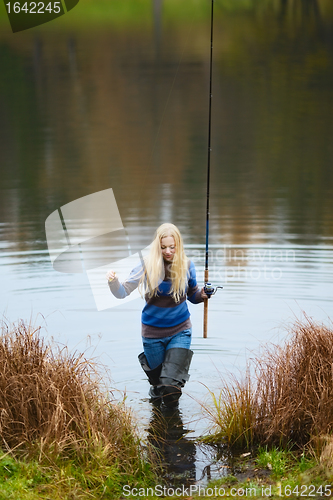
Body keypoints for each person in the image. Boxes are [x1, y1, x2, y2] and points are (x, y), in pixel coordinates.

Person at [106, 223, 209, 407]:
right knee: (159, 387)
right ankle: (157, 417)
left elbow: (193, 295)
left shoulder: (187, 265)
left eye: (172, 246)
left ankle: (172, 431)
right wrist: (113, 282)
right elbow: (122, 292)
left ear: (178, 245)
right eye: (163, 247)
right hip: (152, 334)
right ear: (157, 247)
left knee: (171, 388)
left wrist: (205, 293)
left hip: (180, 331)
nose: (168, 251)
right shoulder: (146, 265)